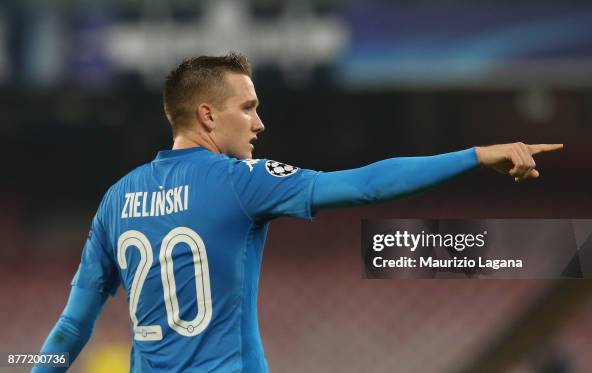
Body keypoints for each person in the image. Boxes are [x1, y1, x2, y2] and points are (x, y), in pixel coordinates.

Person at [34, 52, 562, 372]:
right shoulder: (240, 183)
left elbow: (69, 330)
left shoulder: (116, 198)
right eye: (248, 108)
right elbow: (366, 186)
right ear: (207, 114)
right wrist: (473, 155)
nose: (259, 123)